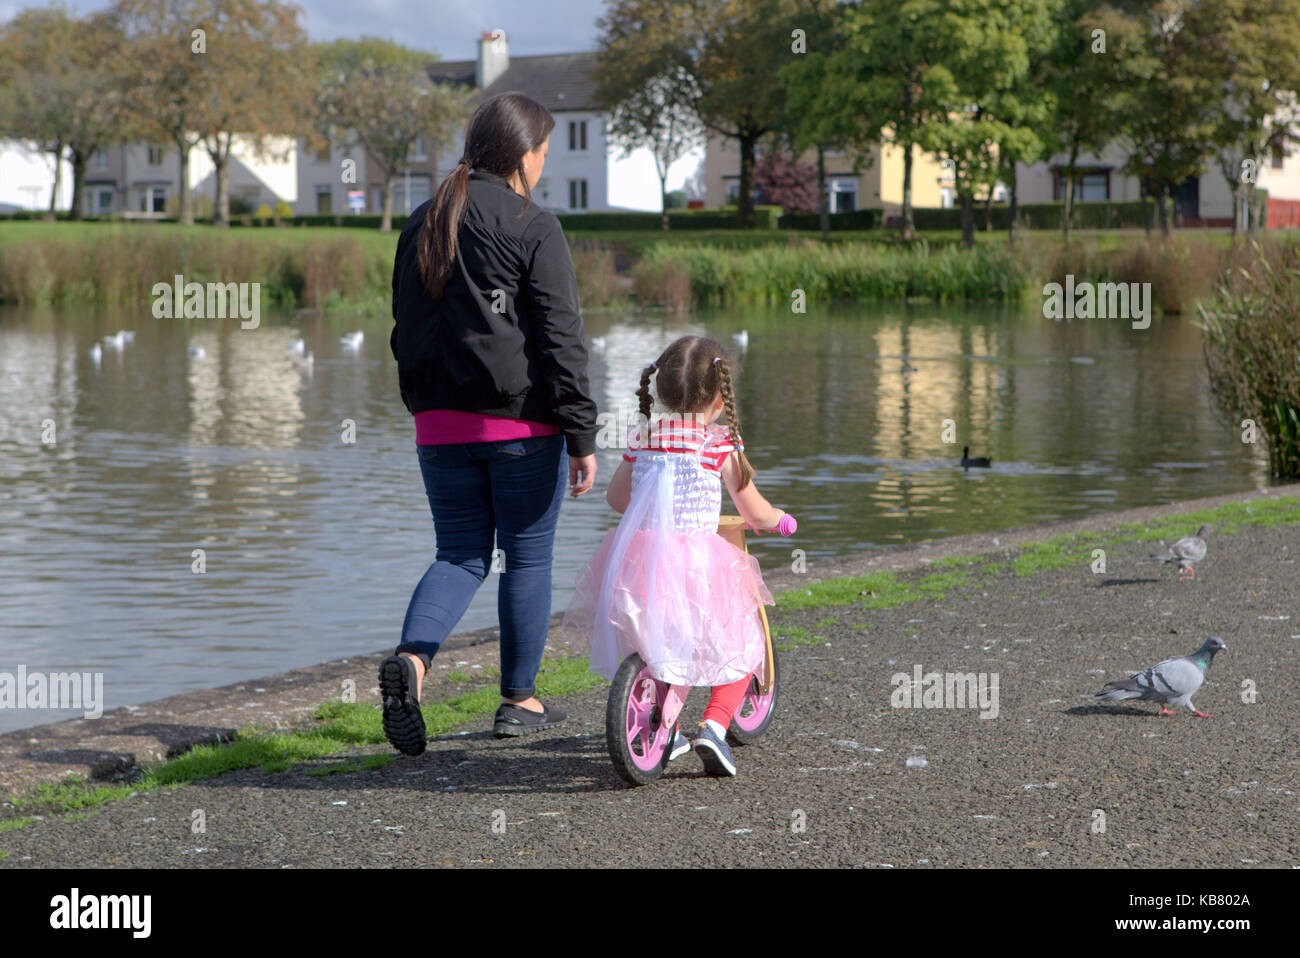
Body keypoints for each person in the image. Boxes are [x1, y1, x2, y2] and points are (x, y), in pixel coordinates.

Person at [382, 92, 599, 756]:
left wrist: (425, 405)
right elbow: (562, 338)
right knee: (526, 558)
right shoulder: (534, 225)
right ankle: (519, 701)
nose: (544, 166)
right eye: (543, 154)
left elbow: (402, 327)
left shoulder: (422, 220)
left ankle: (413, 666)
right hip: (519, 429)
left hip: (438, 427)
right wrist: (582, 435)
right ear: (522, 155)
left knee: (460, 555)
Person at [563, 335, 797, 776]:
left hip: (643, 560)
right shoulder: (718, 446)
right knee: (738, 642)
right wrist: (781, 521)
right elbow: (754, 511)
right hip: (697, 563)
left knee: (664, 639)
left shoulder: (646, 437)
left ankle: (666, 731)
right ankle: (714, 726)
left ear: (664, 391)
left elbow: (618, 498)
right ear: (718, 397)